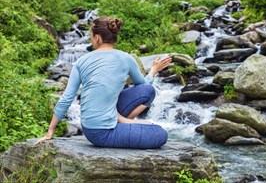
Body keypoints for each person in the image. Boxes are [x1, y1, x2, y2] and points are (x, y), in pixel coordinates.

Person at [35, 17, 172, 149]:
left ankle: (121, 121)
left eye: (91, 35)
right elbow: (143, 84)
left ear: (97, 37)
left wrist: (50, 130)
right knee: (160, 133)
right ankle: (123, 122)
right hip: (100, 133)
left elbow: (67, 98)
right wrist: (153, 70)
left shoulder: (80, 61)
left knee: (148, 91)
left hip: (91, 127)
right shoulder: (127, 58)